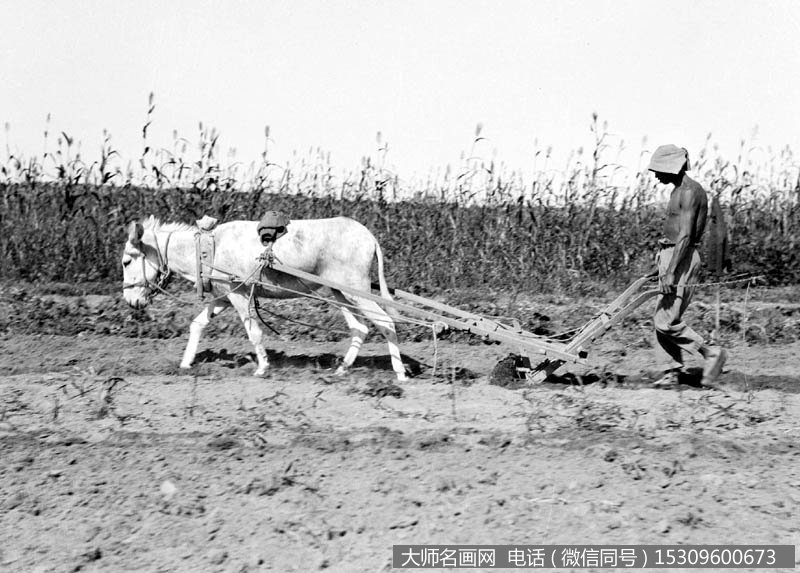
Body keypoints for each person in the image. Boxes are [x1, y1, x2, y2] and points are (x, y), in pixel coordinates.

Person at [648, 144, 727, 387]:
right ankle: (672, 370)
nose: (656, 175)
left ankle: (710, 353)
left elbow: (684, 235)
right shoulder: (678, 190)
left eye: (659, 169)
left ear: (674, 166)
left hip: (681, 258)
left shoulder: (689, 192)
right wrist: (661, 264)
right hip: (671, 256)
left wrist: (671, 271)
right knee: (663, 316)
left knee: (665, 321)